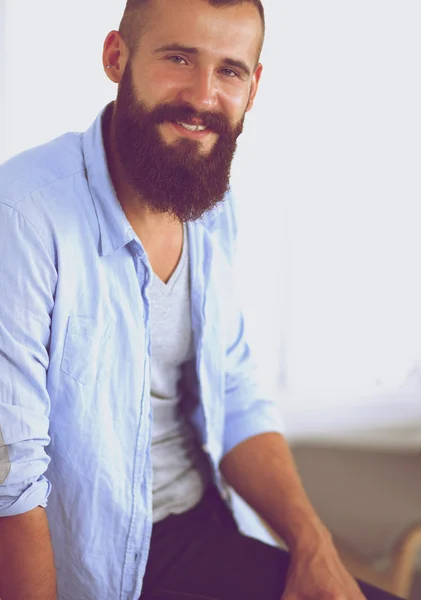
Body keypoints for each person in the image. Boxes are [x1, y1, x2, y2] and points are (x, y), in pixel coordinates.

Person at [0, 1, 404, 599]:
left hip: (202, 529)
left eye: (229, 71)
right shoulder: (24, 214)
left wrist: (312, 545)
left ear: (254, 85)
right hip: (92, 566)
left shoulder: (209, 206)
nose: (202, 96)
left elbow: (235, 388)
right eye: (179, 58)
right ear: (117, 57)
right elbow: (12, 476)